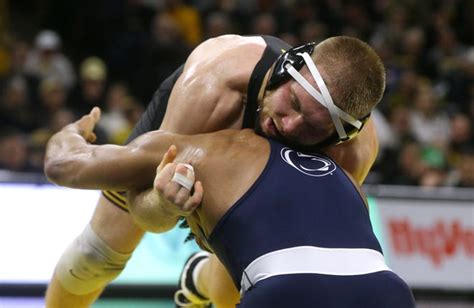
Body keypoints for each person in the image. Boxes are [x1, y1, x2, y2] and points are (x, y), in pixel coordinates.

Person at [44, 35, 384, 307]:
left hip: (263, 179)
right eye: (293, 103)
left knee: (238, 289)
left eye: (310, 126)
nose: (288, 125)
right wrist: (164, 205)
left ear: (338, 135)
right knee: (95, 257)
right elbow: (143, 209)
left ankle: (200, 277)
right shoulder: (218, 80)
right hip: (202, 126)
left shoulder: (350, 154)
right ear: (284, 71)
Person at [44, 107, 416, 308]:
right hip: (390, 291)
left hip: (283, 290)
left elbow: (63, 165)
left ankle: (198, 275)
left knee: (94, 257)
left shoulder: (201, 151)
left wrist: (71, 131)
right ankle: (199, 275)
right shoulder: (352, 153)